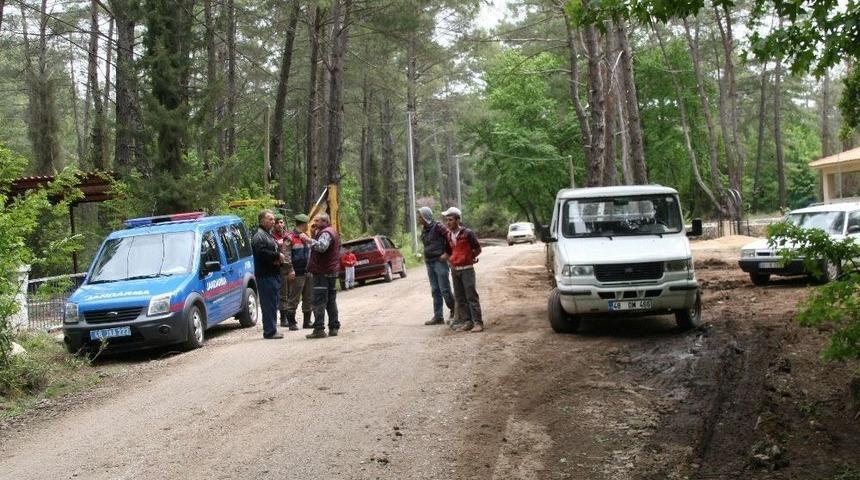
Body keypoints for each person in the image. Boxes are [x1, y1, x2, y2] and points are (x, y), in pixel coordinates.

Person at [441, 207, 484, 333]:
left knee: (471, 296)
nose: (448, 222)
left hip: (467, 269)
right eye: (447, 220)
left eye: (451, 220)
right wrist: (449, 261)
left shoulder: (467, 233)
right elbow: (449, 252)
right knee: (460, 297)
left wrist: (470, 258)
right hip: (455, 270)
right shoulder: (448, 235)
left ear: (458, 220)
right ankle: (467, 322)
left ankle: (478, 323)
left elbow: (478, 249)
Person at [306, 213, 341, 339]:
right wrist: (313, 235)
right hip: (330, 271)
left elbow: (321, 247)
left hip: (323, 272)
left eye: (317, 220)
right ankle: (333, 327)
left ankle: (319, 329)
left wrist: (307, 239)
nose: (314, 222)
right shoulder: (332, 231)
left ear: (325, 222)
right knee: (331, 300)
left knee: (319, 301)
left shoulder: (326, 233)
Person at [251, 209, 286, 339]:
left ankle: (272, 328)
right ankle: (270, 331)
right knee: (268, 304)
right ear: (262, 220)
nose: (273, 221)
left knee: (273, 302)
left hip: (273, 273)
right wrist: (277, 256)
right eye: (270, 219)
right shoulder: (259, 236)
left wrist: (278, 260)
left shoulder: (268, 235)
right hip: (265, 275)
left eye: (273, 219)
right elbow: (260, 252)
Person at [418, 206, 454, 326]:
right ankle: (438, 317)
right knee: (435, 290)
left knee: (444, 289)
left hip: (440, 261)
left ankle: (455, 310)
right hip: (430, 262)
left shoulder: (438, 226)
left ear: (425, 217)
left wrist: (447, 253)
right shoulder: (425, 229)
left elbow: (450, 237)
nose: (418, 218)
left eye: (420, 216)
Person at [285, 214, 315, 329]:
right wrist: (290, 270)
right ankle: (292, 322)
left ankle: (307, 321)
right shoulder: (290, 238)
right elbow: (287, 256)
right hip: (297, 273)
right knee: (294, 298)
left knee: (308, 297)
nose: (308, 226)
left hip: (308, 271)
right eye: (307, 224)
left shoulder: (306, 236)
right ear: (304, 224)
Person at [272, 215, 297, 330]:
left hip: (290, 267)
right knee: (283, 293)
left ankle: (291, 316)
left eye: (281, 222)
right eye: (278, 222)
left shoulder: (288, 235)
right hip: (280, 268)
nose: (280, 224)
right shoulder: (272, 236)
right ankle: (283, 318)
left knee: (292, 292)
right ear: (274, 224)